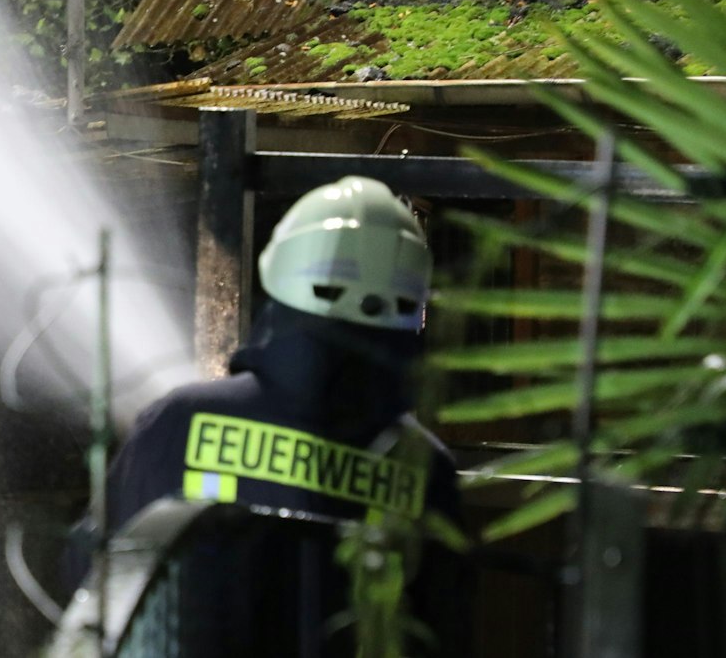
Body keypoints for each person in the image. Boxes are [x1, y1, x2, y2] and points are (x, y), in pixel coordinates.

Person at [69, 176, 470, 656]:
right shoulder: (427, 471)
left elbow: (89, 577)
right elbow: (445, 631)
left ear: (283, 272)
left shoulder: (180, 421)